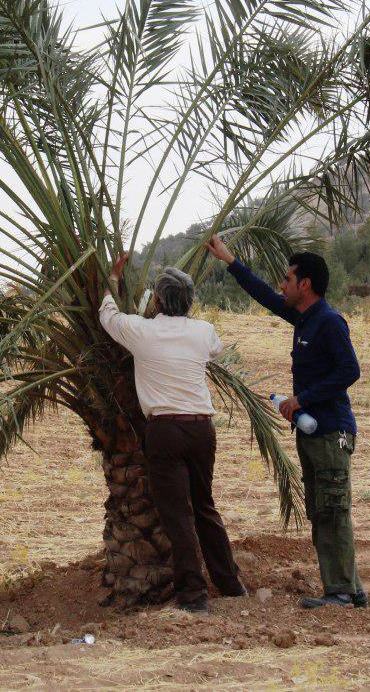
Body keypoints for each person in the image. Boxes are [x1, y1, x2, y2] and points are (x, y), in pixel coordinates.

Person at [204, 235, 367, 610]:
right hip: (314, 432)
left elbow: (350, 370)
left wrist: (302, 400)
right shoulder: (304, 317)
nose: (282, 284)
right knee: (324, 508)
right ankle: (349, 588)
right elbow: (264, 294)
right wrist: (231, 261)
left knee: (332, 509)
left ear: (304, 284)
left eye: (288, 279)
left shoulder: (327, 322)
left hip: (330, 433)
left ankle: (341, 591)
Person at [98, 254, 247, 612]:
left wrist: (113, 280)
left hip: (165, 432)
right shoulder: (203, 332)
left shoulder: (142, 331)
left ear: (158, 300)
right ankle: (230, 583)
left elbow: (108, 315)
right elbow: (214, 349)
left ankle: (193, 596)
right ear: (190, 302)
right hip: (201, 430)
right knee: (204, 506)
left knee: (177, 514)